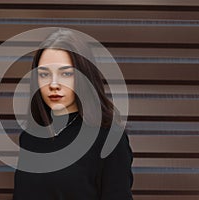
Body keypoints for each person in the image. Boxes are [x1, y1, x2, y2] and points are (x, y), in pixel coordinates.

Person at [12, 29, 133, 200]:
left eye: (66, 73)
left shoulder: (109, 139)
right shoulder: (30, 137)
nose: (54, 84)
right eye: (44, 74)